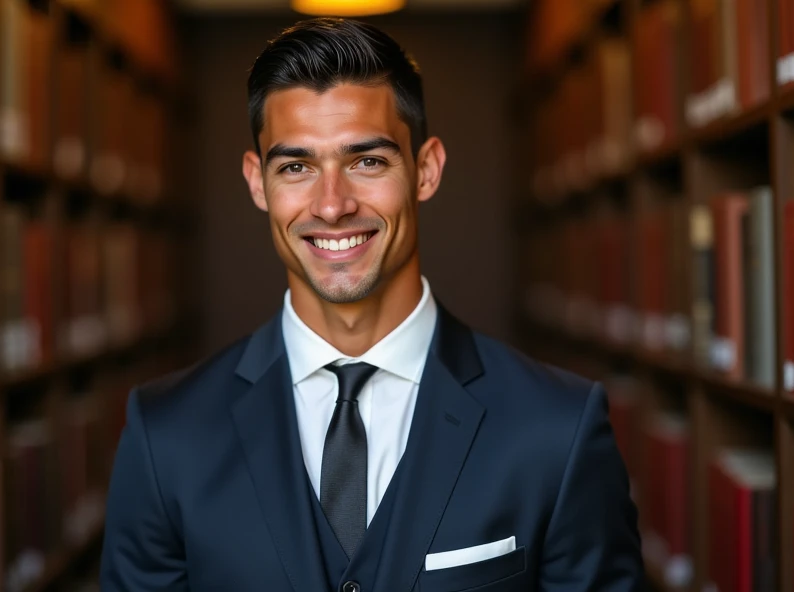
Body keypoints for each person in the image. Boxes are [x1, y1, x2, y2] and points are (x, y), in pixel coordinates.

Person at [100, 17, 644, 592]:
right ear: (258, 183)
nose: (332, 206)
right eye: (296, 167)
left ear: (426, 170)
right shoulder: (166, 436)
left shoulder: (558, 429)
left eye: (368, 161)